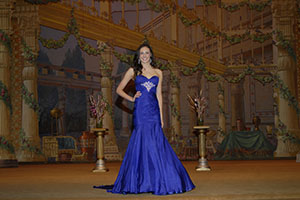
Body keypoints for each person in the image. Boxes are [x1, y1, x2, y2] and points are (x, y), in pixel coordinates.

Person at [95, 42, 195, 195]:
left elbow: (159, 96)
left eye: (147, 53)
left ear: (151, 55)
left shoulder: (158, 72)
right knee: (142, 143)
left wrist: (161, 118)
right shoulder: (133, 71)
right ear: (138, 56)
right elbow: (118, 89)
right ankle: (141, 180)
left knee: (156, 144)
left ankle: (159, 180)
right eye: (141, 53)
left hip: (154, 112)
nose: (144, 55)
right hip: (141, 112)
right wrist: (132, 98)